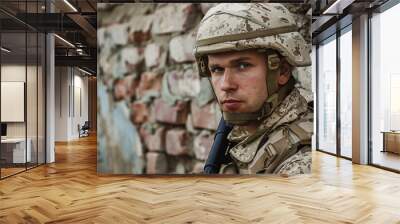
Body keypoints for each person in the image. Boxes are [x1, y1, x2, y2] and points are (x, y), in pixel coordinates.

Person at [193, 3, 313, 175]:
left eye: (242, 66)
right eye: (217, 69)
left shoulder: (300, 166)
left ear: (282, 71)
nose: (226, 84)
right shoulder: (245, 132)